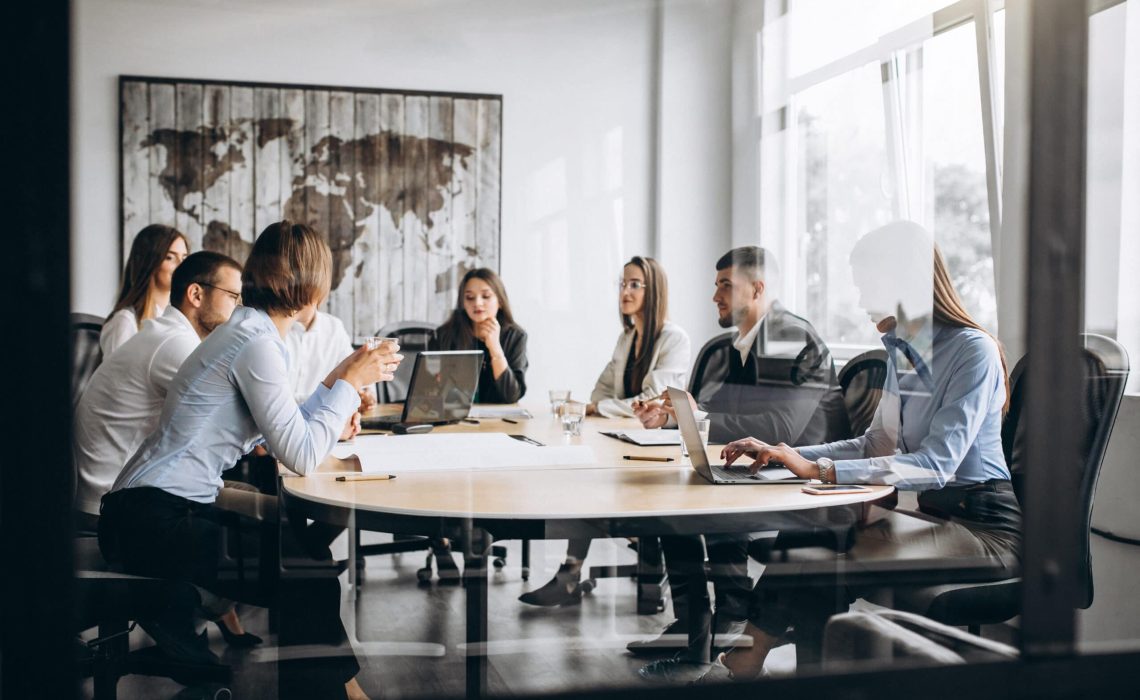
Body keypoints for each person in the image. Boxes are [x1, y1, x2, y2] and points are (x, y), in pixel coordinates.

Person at [693, 221, 1021, 683]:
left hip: (985, 527)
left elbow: (937, 465)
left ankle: (754, 661)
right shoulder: (907, 352)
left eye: (869, 284)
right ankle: (764, 662)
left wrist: (820, 469)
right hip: (935, 518)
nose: (862, 300)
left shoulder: (973, 352)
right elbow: (874, 444)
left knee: (823, 551)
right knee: (809, 536)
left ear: (904, 280)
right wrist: (786, 452)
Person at [99, 221, 401, 700]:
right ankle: (343, 692)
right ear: (312, 287)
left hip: (148, 509)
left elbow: (286, 426)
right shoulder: (257, 344)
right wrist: (343, 387)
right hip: (151, 517)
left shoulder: (251, 333)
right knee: (306, 574)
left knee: (308, 561)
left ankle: (343, 690)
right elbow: (300, 454)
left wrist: (339, 389)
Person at [631, 246, 849, 672]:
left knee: (677, 511)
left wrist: (701, 415)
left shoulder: (789, 335)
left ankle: (711, 630)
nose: (716, 296)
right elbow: (719, 414)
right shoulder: (739, 344)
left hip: (806, 480)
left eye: (726, 286)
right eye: (716, 286)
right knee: (668, 506)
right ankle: (701, 625)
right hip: (763, 470)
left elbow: (782, 427)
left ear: (758, 288)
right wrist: (673, 417)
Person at [74, 251, 258, 646]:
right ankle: (185, 615)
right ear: (196, 294)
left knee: (243, 502)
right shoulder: (174, 345)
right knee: (245, 521)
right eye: (234, 297)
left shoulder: (165, 335)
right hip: (118, 501)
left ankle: (193, 620)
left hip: (124, 489)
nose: (241, 310)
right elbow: (241, 411)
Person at [519, 255, 690, 606]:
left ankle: (641, 559)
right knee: (585, 481)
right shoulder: (627, 338)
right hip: (625, 438)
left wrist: (602, 407)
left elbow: (652, 400)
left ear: (654, 290)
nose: (624, 291)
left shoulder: (674, 339)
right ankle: (575, 575)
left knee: (596, 489)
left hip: (657, 446)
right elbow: (601, 392)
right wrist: (604, 405)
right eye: (622, 284)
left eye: (634, 284)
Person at [430, 267, 528, 404]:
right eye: (469, 297)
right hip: (455, 417)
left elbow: (511, 396)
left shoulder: (516, 336)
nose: (477, 303)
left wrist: (495, 349)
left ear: (500, 301)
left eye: (486, 296)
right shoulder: (444, 335)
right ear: (463, 303)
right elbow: (428, 390)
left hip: (500, 421)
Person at [101, 224, 190, 357]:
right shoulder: (124, 322)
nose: (182, 266)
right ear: (149, 261)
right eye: (170, 257)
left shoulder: (179, 319)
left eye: (184, 258)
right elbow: (116, 377)